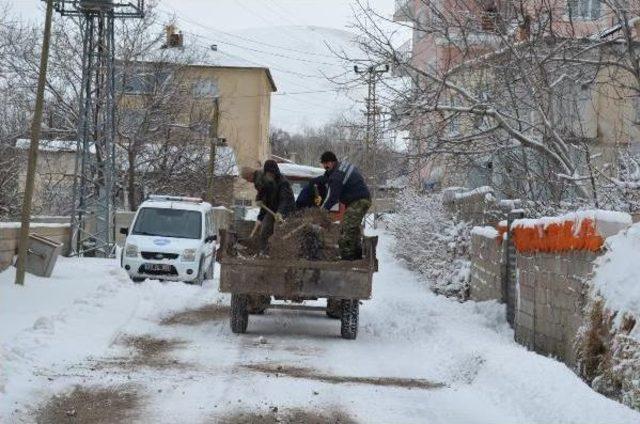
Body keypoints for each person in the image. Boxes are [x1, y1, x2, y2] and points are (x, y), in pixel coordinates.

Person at [319, 151, 371, 260]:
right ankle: (357, 256)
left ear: (332, 162)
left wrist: (322, 211)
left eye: (326, 163)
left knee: (347, 230)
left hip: (359, 201)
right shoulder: (342, 166)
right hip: (359, 199)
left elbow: (332, 198)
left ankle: (347, 259)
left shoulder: (337, 175)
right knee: (353, 228)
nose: (325, 166)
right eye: (323, 164)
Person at [251, 160, 295, 251]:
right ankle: (263, 252)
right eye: (268, 173)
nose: (270, 175)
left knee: (279, 231)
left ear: (276, 172)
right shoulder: (266, 182)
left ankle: (279, 253)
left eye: (272, 173)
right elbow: (265, 202)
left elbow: (285, 200)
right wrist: (260, 214)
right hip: (273, 210)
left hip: (287, 211)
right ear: (265, 172)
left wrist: (280, 212)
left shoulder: (283, 183)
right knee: (265, 229)